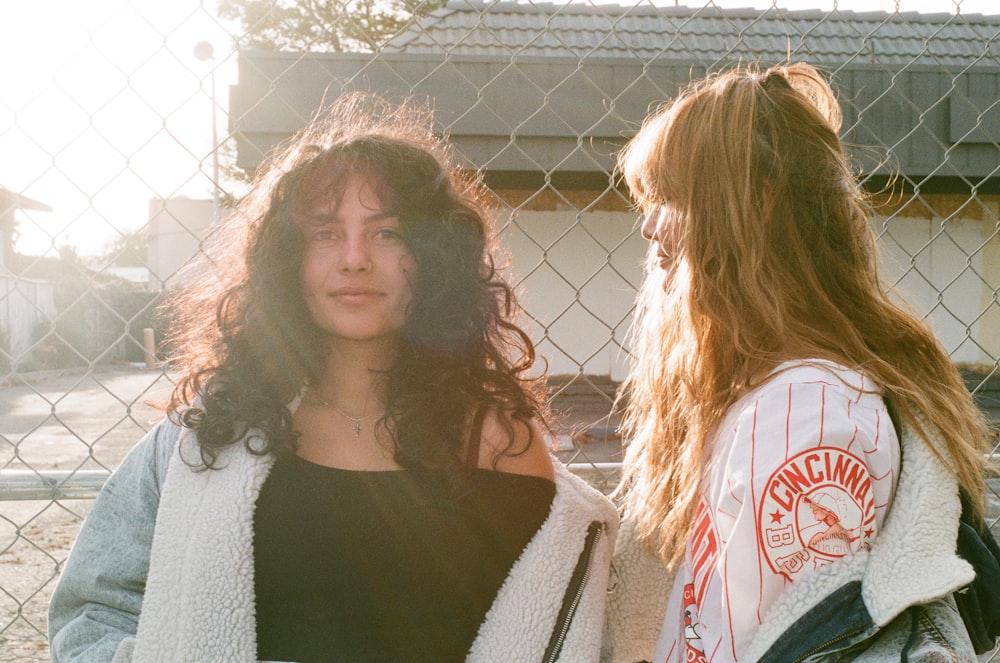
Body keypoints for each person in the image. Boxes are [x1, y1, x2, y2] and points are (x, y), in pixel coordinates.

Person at [48, 93, 618, 662]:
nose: (354, 258)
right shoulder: (205, 435)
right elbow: (90, 615)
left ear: (433, 255)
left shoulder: (495, 440)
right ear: (287, 261)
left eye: (388, 232)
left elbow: (540, 633)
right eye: (323, 233)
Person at [602, 63, 994, 662]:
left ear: (757, 206)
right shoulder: (781, 398)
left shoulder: (804, 418)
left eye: (671, 198)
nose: (650, 225)